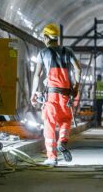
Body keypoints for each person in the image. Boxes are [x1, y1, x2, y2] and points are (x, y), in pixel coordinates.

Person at [30, 23, 81, 166]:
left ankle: (52, 157)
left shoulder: (43, 53)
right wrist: (76, 87)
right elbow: (78, 70)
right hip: (66, 95)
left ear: (46, 37)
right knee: (66, 119)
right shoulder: (68, 51)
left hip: (51, 96)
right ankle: (62, 141)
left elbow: (37, 75)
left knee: (50, 125)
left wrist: (33, 93)